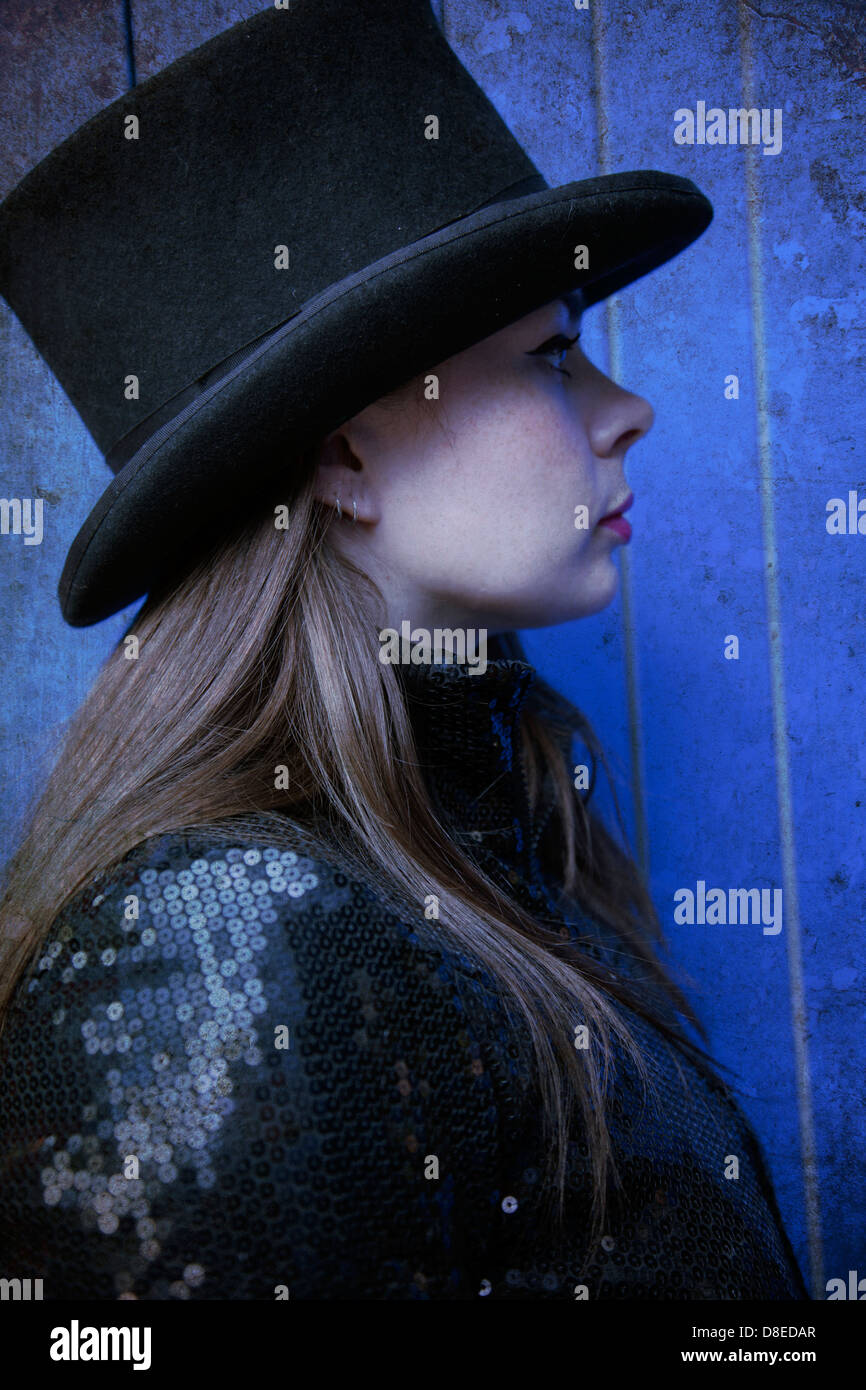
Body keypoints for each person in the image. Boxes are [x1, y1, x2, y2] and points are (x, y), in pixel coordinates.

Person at [0, 1, 808, 1299]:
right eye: (553, 356)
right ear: (344, 453)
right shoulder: (222, 941)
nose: (629, 410)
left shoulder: (479, 844)